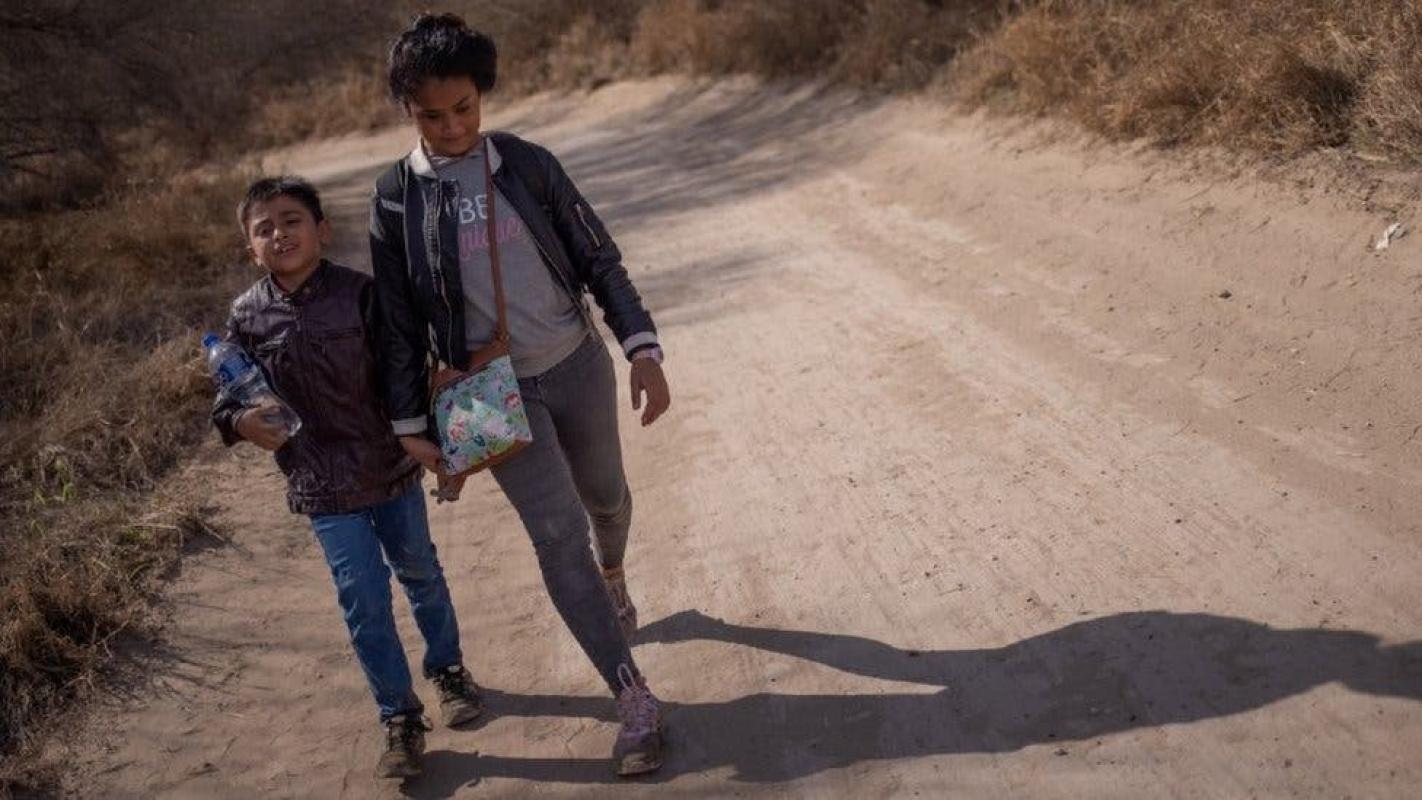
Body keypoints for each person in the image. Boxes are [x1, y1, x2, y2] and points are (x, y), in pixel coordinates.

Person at [368, 13, 672, 777]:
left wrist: (641, 347)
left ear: (482, 94)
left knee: (606, 499)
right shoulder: (397, 197)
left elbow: (598, 259)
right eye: (431, 116)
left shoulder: (528, 165)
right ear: (408, 110)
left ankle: (613, 575)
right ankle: (633, 696)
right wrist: (409, 423)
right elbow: (398, 322)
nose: (451, 127)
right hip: (484, 393)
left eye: (463, 108)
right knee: (556, 535)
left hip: (575, 362)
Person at [211, 176, 482, 780]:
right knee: (362, 599)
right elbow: (228, 397)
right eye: (264, 229)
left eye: (292, 220)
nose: (279, 234)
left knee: (420, 571)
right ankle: (399, 717)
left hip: (389, 468)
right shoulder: (246, 317)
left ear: (322, 231)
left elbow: (405, 375)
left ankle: (449, 670)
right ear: (250, 248)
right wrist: (239, 422)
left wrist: (436, 444)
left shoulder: (362, 294)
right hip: (320, 484)